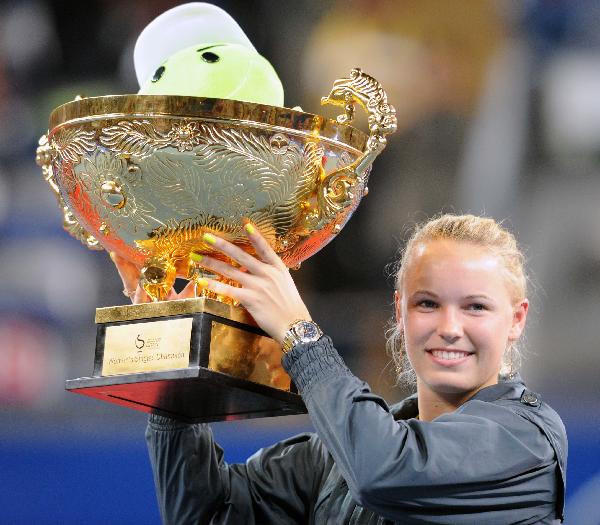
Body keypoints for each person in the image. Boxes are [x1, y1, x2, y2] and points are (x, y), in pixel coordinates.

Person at [112, 214, 567, 524]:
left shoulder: (527, 443)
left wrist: (299, 334)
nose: (450, 327)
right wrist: (179, 357)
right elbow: (208, 515)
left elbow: (386, 471)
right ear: (400, 313)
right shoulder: (333, 458)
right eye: (427, 303)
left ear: (517, 319)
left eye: (476, 307)